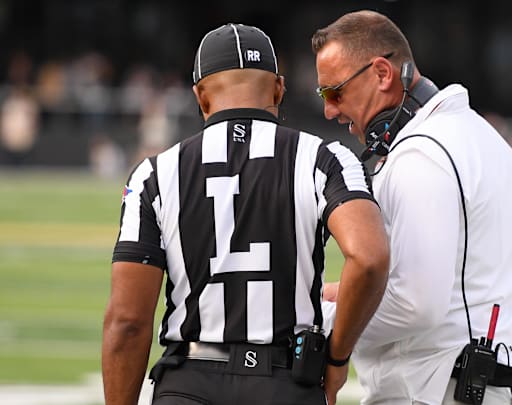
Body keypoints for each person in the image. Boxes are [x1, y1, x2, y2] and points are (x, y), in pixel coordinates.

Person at [102, 23, 389, 405]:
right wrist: (336, 358)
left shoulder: (154, 174)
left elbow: (127, 323)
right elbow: (369, 257)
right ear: (278, 89)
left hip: (189, 382)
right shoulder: (324, 158)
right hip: (285, 384)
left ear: (201, 97)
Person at [312, 10, 512, 405]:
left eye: (335, 92)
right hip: (471, 383)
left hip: (434, 389)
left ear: (382, 74)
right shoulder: (476, 134)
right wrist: (344, 291)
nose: (329, 109)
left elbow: (416, 304)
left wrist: (323, 328)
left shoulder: (422, 153)